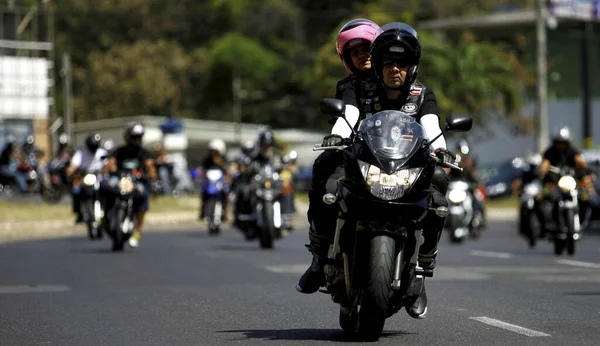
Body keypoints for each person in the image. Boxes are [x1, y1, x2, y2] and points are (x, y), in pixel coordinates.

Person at [297, 22, 457, 320]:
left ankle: (421, 270)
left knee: (439, 195)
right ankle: (319, 258)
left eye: (402, 63)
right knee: (329, 186)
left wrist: (440, 150)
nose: (394, 69)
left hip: (406, 167)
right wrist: (339, 135)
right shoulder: (357, 87)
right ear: (378, 63)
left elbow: (432, 125)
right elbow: (349, 115)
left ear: (413, 66)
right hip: (363, 165)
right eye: (387, 62)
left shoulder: (423, 94)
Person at [102, 122, 157, 248]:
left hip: (136, 182)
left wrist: (153, 178)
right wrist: (109, 169)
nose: (136, 140)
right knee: (107, 186)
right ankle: (105, 215)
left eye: (138, 137)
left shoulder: (144, 153)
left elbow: (150, 167)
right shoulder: (119, 151)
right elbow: (111, 163)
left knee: (143, 194)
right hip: (120, 180)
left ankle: (138, 229)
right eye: (134, 137)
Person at [537, 126, 596, 233]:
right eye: (558, 142)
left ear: (567, 142)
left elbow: (580, 162)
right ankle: (548, 224)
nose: (561, 145)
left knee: (584, 197)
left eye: (563, 142)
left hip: (571, 182)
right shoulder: (550, 152)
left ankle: (581, 221)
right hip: (555, 182)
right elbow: (545, 164)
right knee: (544, 197)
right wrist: (542, 171)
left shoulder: (572, 152)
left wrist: (588, 170)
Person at [66, 133, 108, 223]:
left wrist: (105, 171)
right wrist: (70, 171)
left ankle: (108, 210)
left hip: (99, 178)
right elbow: (73, 165)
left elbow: (108, 164)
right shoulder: (81, 154)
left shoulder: (102, 153)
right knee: (75, 191)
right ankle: (78, 213)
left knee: (108, 189)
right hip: (85, 178)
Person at [199, 138, 229, 220]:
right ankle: (202, 211)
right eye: (212, 151)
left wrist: (219, 162)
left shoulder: (223, 159)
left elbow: (227, 169)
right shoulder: (207, 159)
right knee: (203, 192)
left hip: (219, 181)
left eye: (216, 151)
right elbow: (202, 169)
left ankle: (225, 212)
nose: (214, 153)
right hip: (210, 181)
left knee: (226, 192)